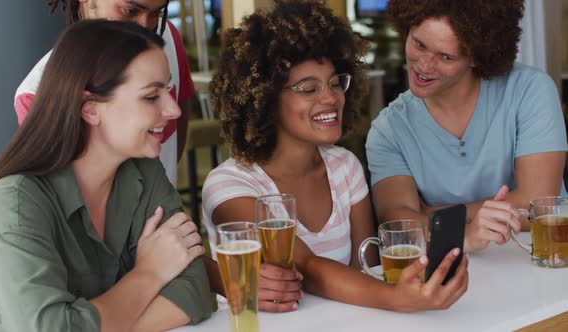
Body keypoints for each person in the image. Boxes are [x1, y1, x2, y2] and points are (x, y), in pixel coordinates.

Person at [203, 0, 468, 312]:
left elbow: (366, 270)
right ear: (266, 99)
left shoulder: (344, 166)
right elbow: (305, 267)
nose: (330, 98)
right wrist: (397, 299)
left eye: (333, 83)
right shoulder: (229, 186)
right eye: (308, 88)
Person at [0, 20, 212, 331]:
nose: (174, 110)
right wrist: (150, 274)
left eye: (168, 90)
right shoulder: (15, 201)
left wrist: (89, 323)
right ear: (90, 109)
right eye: (151, 96)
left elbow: (196, 291)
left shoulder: (144, 170)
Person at [366, 0, 568, 253]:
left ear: (475, 57)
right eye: (419, 44)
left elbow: (538, 206)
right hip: (453, 275)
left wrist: (435, 216)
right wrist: (466, 233)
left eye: (445, 57)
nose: (424, 66)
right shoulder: (388, 130)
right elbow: (400, 227)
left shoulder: (530, 90)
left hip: (542, 262)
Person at [14, 0, 193, 184]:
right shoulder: (39, 94)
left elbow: (175, 139)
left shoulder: (167, 39)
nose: (146, 28)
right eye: (130, 11)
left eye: (157, 13)